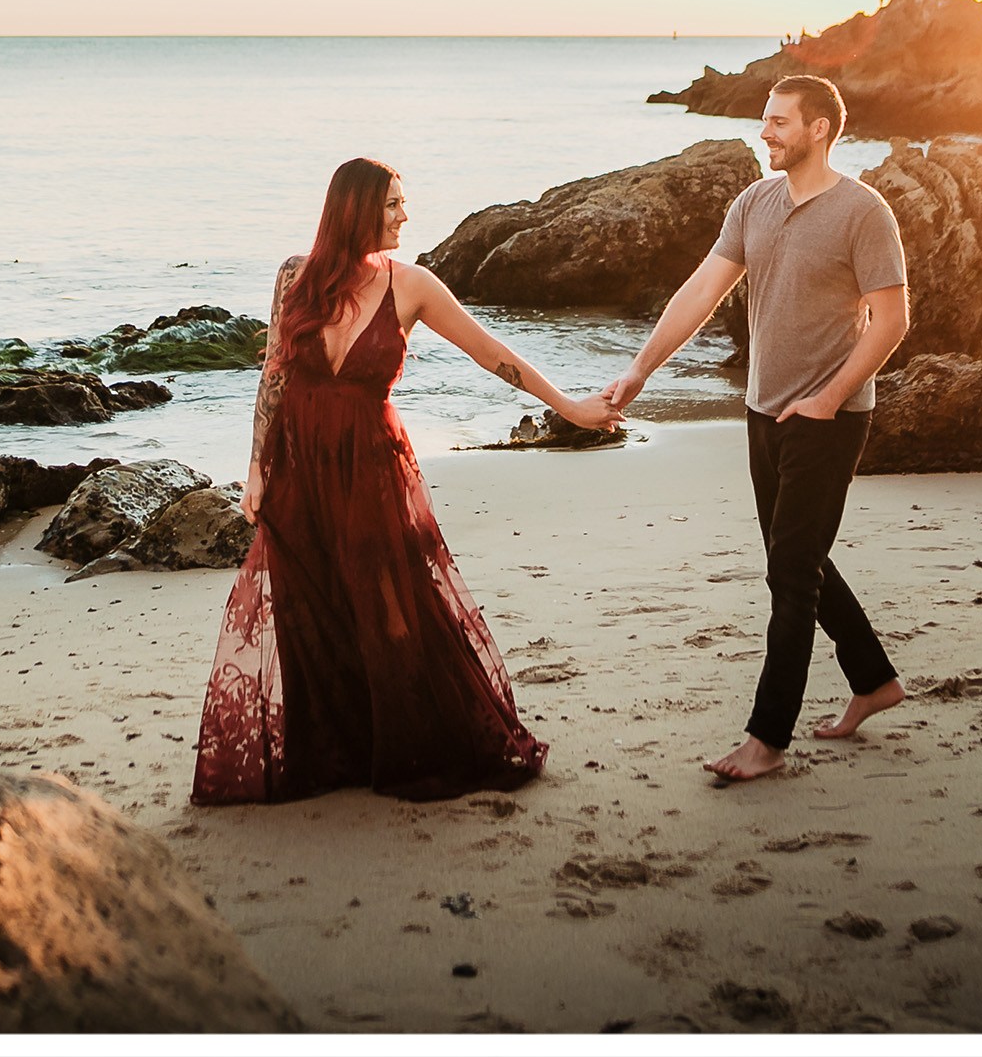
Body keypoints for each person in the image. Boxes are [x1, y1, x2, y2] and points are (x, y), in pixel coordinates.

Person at [191, 157, 618, 805]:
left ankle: (409, 741)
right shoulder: (293, 277)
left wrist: (573, 409)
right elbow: (274, 374)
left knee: (390, 602)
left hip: (370, 465)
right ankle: (341, 748)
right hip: (299, 467)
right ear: (357, 209)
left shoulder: (412, 285)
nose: (405, 215)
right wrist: (257, 466)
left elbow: (493, 354)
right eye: (393, 204)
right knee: (311, 605)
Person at [599, 76, 911, 782]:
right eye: (765, 120)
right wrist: (641, 370)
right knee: (795, 559)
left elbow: (892, 321)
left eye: (778, 122)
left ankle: (767, 738)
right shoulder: (755, 203)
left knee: (791, 574)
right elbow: (701, 291)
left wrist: (830, 398)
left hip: (829, 420)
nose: (764, 133)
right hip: (764, 409)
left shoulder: (864, 213)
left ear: (820, 129)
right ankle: (874, 682)